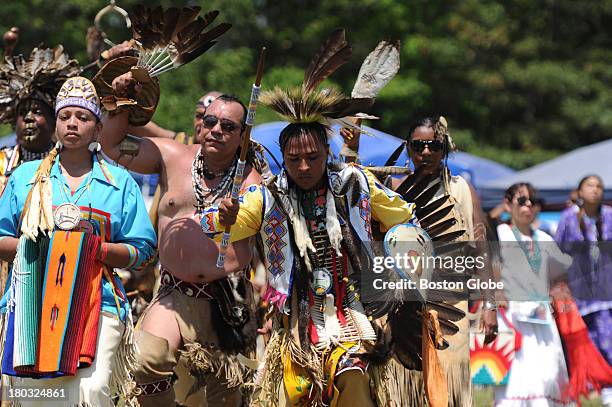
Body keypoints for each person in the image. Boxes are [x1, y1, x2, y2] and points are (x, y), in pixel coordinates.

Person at [98, 69, 268, 405]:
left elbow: (262, 223)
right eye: (210, 121)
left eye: (228, 126)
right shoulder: (171, 156)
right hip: (174, 293)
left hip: (228, 301)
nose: (216, 129)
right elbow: (112, 144)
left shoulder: (252, 181)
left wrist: (236, 219)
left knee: (226, 395)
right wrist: (121, 101)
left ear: (241, 135)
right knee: (146, 361)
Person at [0, 76, 156, 406]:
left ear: (98, 129)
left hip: (98, 302)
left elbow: (141, 249)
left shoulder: (118, 182)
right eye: (65, 116)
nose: (73, 123)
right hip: (33, 300)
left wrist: (95, 250)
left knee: (93, 390)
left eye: (83, 117)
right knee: (37, 395)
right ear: (56, 123)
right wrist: (40, 245)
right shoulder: (27, 178)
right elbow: (1, 237)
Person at [343, 115, 498, 406]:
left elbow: (482, 249)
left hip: (450, 304)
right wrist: (351, 148)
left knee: (448, 382)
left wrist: (490, 305)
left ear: (445, 148)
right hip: (402, 307)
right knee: (404, 383)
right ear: (408, 148)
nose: (426, 152)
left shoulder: (461, 189)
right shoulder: (393, 191)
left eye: (433, 145)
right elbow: (353, 197)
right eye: (418, 145)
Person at [495, 182, 573, 406]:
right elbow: (486, 271)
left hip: (542, 318)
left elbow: (562, 274)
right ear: (508, 205)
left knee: (547, 374)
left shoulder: (545, 239)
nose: (528, 206)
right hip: (511, 318)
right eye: (521, 201)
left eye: (533, 202)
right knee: (516, 379)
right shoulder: (499, 234)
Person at [555, 175, 612, 404]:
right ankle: (579, 388)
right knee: (578, 343)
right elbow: (557, 251)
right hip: (577, 291)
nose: (595, 190)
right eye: (590, 185)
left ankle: (608, 388)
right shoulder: (569, 218)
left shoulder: (609, 216)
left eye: (599, 186)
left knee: (607, 339)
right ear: (579, 191)